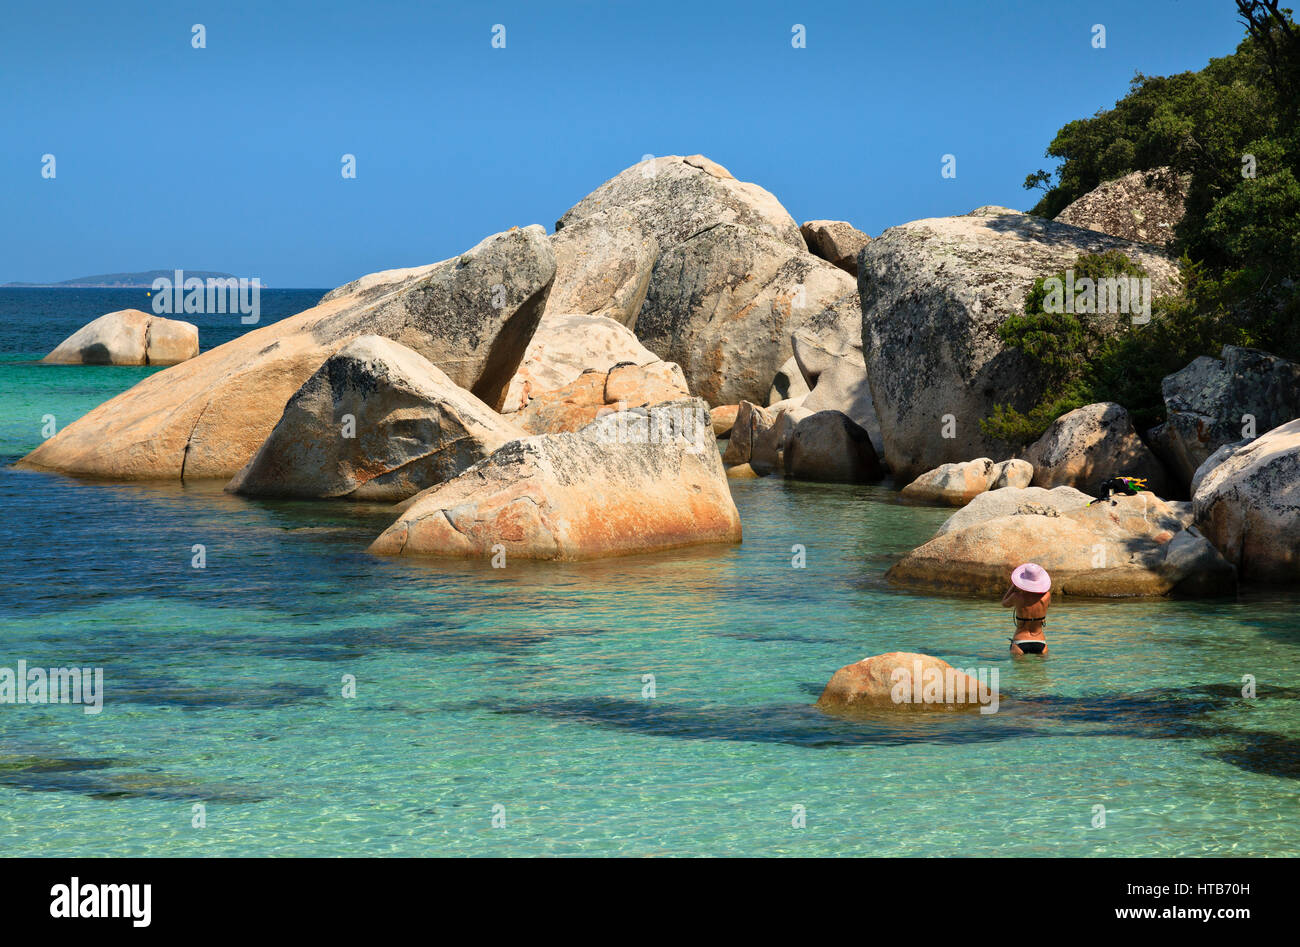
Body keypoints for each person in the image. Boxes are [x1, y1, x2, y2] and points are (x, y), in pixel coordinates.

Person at [1001, 563, 1051, 656]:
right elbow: (1047, 606)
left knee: (1020, 670)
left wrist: (1013, 587)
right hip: (1041, 642)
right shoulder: (1047, 596)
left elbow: (1004, 603)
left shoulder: (1016, 596)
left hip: (1020, 641)